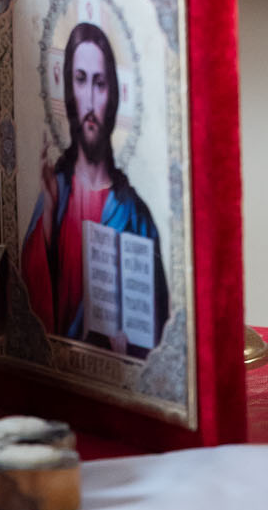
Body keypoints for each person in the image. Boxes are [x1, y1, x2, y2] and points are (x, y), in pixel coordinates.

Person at [22, 20, 169, 354]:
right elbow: (29, 310)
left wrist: (129, 347)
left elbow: (154, 325)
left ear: (113, 96)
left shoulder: (135, 214)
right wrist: (48, 216)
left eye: (100, 84)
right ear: (69, 91)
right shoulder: (55, 194)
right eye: (80, 79)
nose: (89, 101)